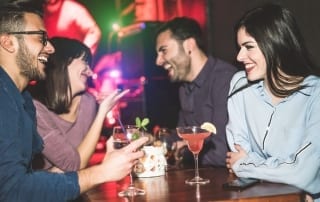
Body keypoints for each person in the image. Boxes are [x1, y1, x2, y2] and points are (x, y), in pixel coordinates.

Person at [0, 2, 147, 201]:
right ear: (8, 42)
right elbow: (12, 191)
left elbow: (30, 179)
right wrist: (101, 172)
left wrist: (107, 165)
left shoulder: (22, 99)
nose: (50, 48)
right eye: (41, 38)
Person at [225, 4, 320, 201]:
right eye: (240, 47)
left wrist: (247, 164)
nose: (239, 56)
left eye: (248, 46)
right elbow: (238, 154)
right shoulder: (240, 85)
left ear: (275, 43)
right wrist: (283, 167)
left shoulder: (315, 94)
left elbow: (303, 173)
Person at [28, 37, 129, 172]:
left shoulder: (88, 103)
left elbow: (77, 164)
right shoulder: (34, 108)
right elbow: (73, 164)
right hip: (40, 191)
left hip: (72, 187)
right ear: (63, 62)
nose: (91, 72)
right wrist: (102, 113)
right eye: (85, 62)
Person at [155, 17, 238, 167]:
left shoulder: (225, 80)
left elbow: (221, 153)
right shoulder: (184, 88)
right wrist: (153, 142)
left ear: (189, 45)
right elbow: (183, 136)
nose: (158, 61)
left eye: (164, 51)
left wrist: (184, 153)